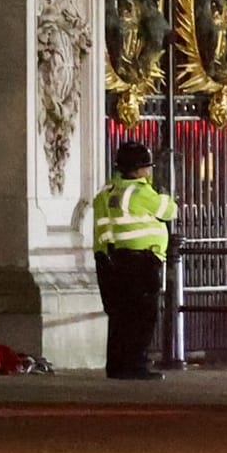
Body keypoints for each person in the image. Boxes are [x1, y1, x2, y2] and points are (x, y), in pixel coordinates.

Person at [92, 140, 179, 380]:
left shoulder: (105, 193)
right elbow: (171, 210)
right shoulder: (140, 192)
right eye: (147, 167)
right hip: (141, 262)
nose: (149, 171)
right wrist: (162, 192)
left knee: (120, 317)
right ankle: (135, 365)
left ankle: (117, 366)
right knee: (142, 316)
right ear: (139, 169)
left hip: (111, 260)